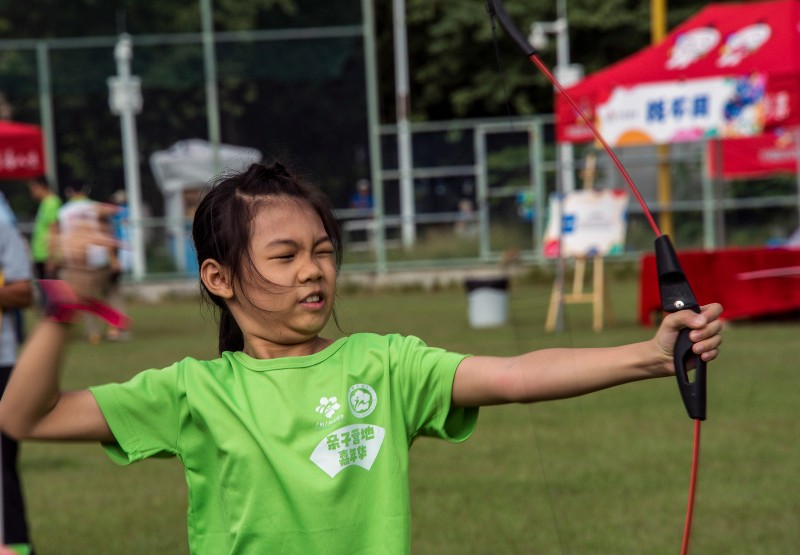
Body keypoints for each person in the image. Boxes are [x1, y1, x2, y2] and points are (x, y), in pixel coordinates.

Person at [0, 162, 723, 554]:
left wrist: (650, 355)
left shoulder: (384, 364)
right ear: (218, 279)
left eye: (321, 252)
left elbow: (511, 374)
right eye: (283, 255)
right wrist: (64, 305)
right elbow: (27, 416)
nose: (313, 270)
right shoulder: (193, 391)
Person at [0, 220, 35, 552]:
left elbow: (23, 291)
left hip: (2, 361)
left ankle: (17, 546)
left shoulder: (1, 226)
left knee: (1, 468)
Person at [53, 183, 119, 344]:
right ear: (86, 190)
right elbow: (106, 233)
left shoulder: (62, 212)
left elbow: (58, 237)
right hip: (99, 256)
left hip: (76, 261)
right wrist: (113, 258)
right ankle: (114, 329)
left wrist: (57, 259)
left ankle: (93, 333)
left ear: (69, 192)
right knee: (111, 293)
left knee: (85, 298)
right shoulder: (96, 207)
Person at [27, 176, 62, 280]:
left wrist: (51, 258)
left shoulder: (52, 203)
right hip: (40, 255)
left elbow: (54, 230)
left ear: (41, 186)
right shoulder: (44, 203)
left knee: (51, 292)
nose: (31, 193)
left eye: (33, 189)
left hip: (46, 256)